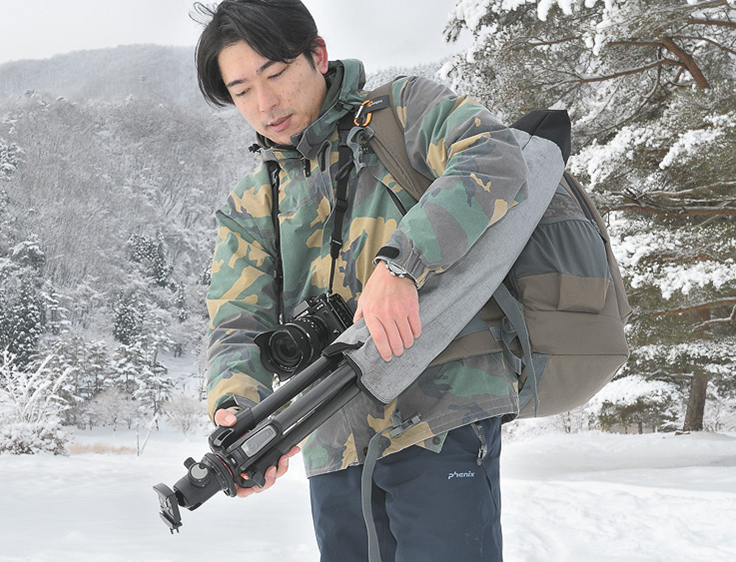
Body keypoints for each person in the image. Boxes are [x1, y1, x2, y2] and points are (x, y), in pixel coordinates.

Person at [193, 1, 529, 560]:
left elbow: (494, 155)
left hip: (439, 414)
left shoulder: (400, 112)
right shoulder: (252, 204)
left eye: (275, 74)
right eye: (242, 90)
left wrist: (402, 262)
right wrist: (237, 410)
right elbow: (237, 323)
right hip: (333, 438)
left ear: (318, 56)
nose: (265, 103)